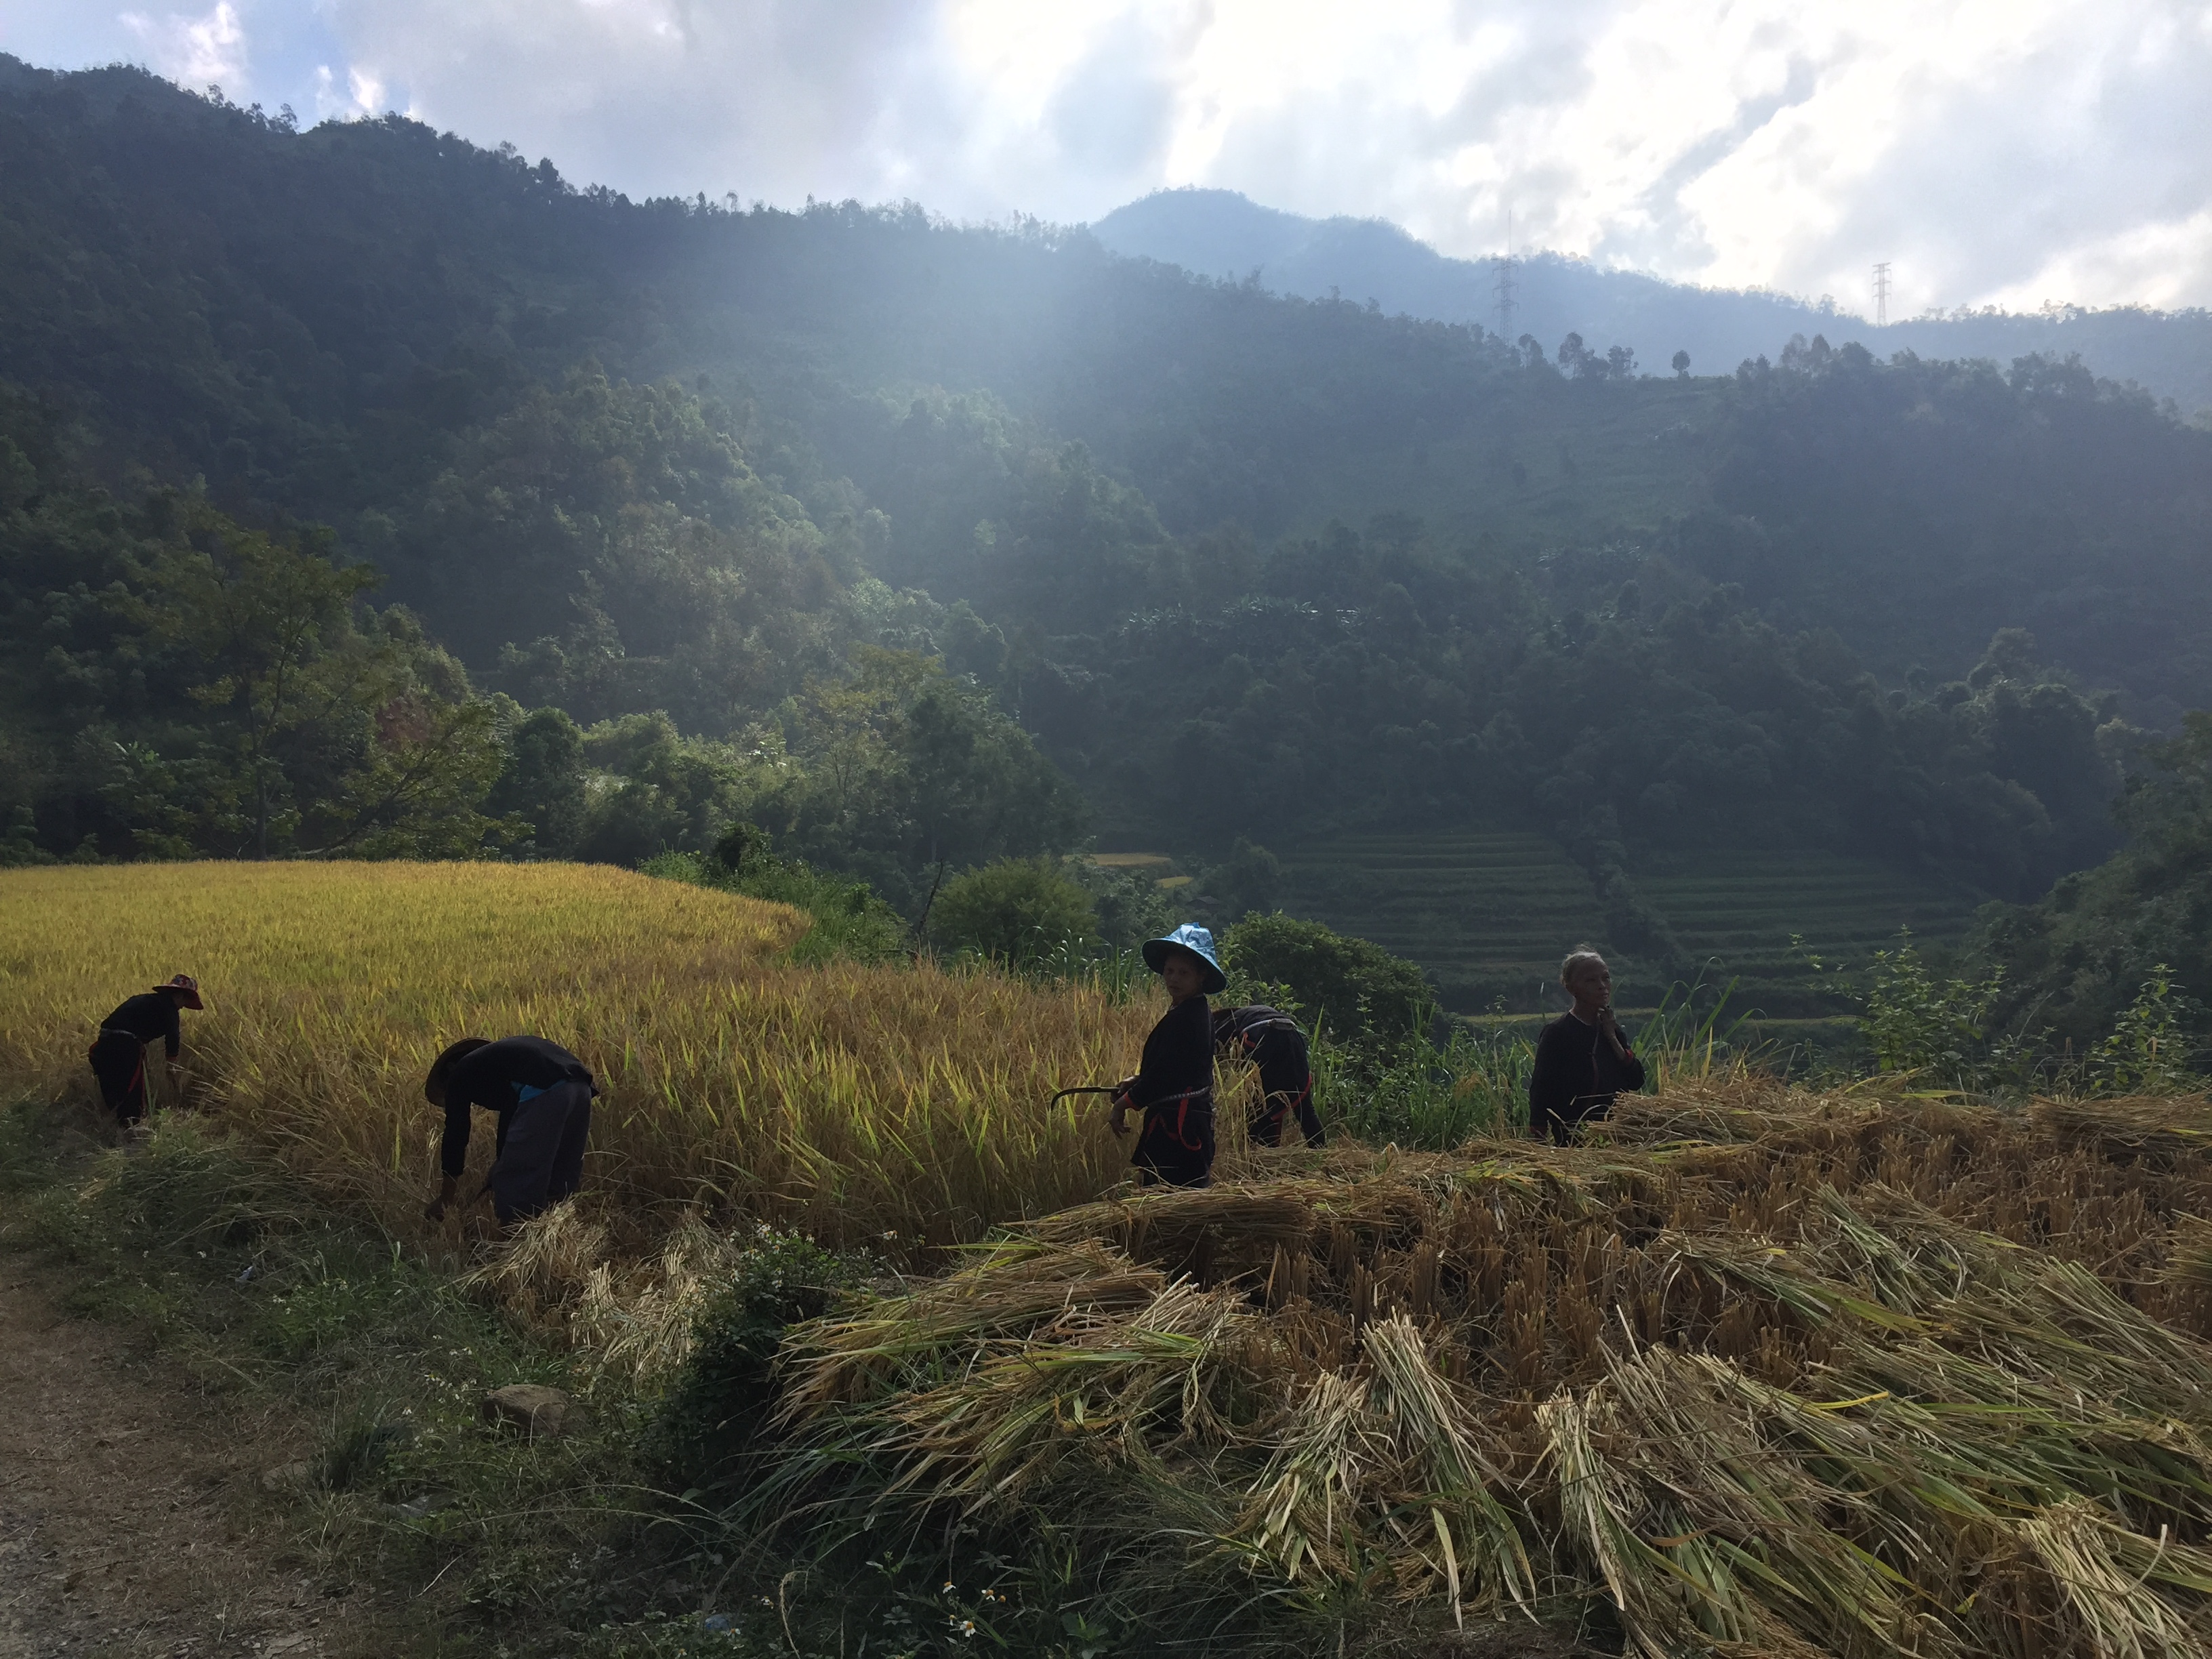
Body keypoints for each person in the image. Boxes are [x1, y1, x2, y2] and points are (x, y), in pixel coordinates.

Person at [424, 1035, 597, 1226]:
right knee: (560, 1172)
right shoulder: (505, 1062)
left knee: (516, 1182)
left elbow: (456, 1134)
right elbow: (512, 1114)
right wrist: (502, 1159)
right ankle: (554, 1231)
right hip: (581, 1086)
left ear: (450, 1068)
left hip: (547, 1091)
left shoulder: (459, 1074)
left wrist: (446, 1199)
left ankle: (514, 1238)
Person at [1110, 924, 1225, 1187]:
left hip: (1178, 1130)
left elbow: (1164, 1077)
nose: (1174, 979)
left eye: (1184, 973)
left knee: (1171, 1198)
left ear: (1201, 976)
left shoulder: (1188, 1018)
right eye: (1170, 971)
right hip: (1184, 1122)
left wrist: (1122, 1105)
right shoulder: (1192, 1010)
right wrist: (1138, 1080)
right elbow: (1178, 1067)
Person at [1527, 947, 1645, 1144]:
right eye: (1591, 980)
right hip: (1575, 1139)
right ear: (1571, 988)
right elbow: (1542, 1087)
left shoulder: (1612, 1030)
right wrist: (1539, 1137)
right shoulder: (1558, 1033)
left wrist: (1612, 1038)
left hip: (1617, 1136)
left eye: (1606, 978)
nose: (1602, 986)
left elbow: (1637, 1080)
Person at [87, 974, 203, 1126]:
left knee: (113, 1084)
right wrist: (171, 1063)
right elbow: (173, 1036)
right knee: (133, 1089)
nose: (183, 1006)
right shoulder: (169, 1008)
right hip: (125, 1045)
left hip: (104, 1043)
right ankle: (132, 1127)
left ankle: (115, 1125)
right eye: (185, 1001)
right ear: (180, 995)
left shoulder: (141, 1000)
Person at [1214, 1003, 1324, 1147]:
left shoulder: (1219, 1027)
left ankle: (1259, 1154)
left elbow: (1216, 1065)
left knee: (1257, 1108)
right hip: (1293, 1038)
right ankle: (1321, 1151)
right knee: (1304, 1108)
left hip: (1262, 1037)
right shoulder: (1247, 1014)